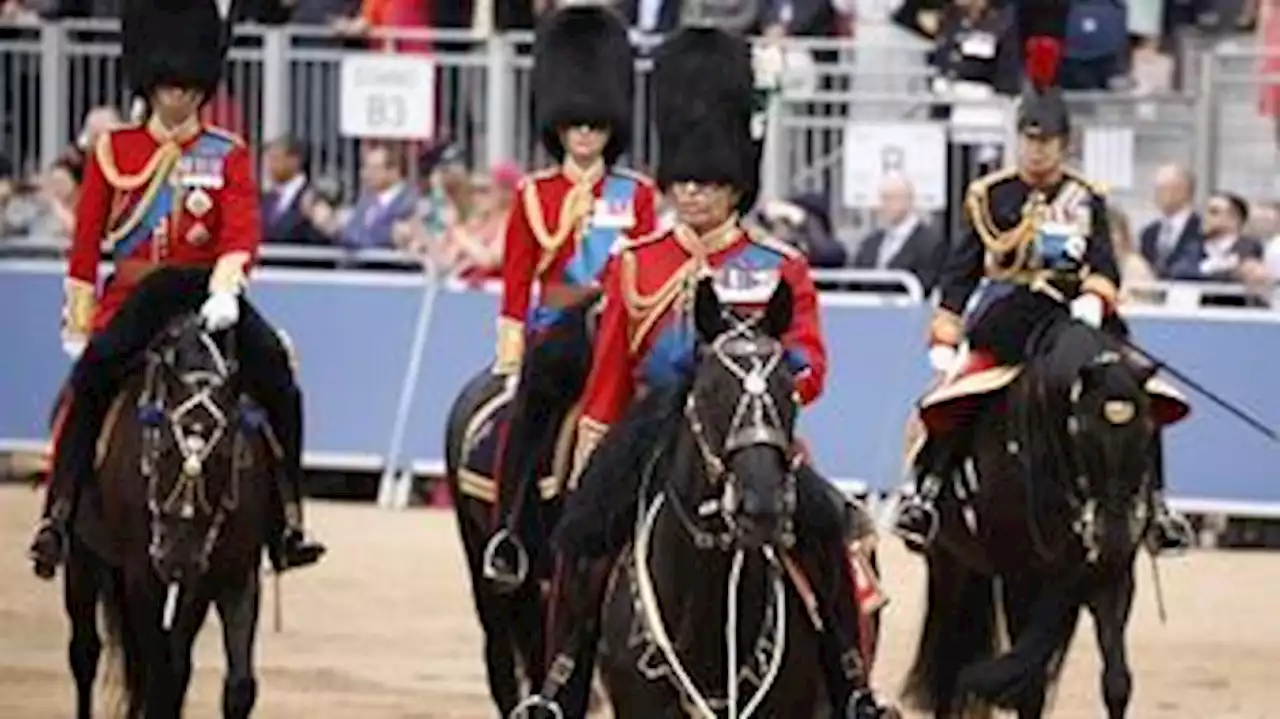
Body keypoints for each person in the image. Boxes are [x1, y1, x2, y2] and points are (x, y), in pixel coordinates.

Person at [519, 27, 896, 719]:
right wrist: (595, 448)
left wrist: (773, 395)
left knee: (826, 536)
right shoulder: (637, 260)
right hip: (650, 430)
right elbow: (609, 372)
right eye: (683, 183)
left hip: (752, 431)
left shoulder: (779, 265)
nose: (692, 196)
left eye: (708, 184)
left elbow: (809, 358)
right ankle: (560, 684)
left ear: (735, 189)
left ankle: (851, 684)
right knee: (583, 544)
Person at [28, 0, 325, 580]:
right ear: (150, 84)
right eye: (168, 88)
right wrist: (79, 320)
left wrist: (225, 288)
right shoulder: (116, 150)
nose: (179, 98)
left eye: (189, 88)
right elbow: (87, 245)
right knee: (87, 385)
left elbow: (241, 230)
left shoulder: (227, 153)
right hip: (135, 297)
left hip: (206, 294)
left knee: (280, 384)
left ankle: (289, 519)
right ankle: (57, 514)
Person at [891, 0, 1194, 554]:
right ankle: (927, 492)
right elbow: (961, 271)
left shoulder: (1086, 197)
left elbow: (1102, 262)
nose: (1038, 151)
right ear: (1018, 139)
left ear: (1064, 143)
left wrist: (1096, 299)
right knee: (954, 395)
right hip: (1010, 314)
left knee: (1134, 390)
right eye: (1030, 140)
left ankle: (1157, 504)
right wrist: (946, 331)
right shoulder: (992, 194)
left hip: (1076, 316)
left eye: (1048, 142)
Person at [480, 3, 659, 582]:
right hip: (560, 329)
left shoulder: (636, 195)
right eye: (576, 126)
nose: (584, 136)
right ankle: (509, 529)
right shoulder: (536, 194)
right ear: (557, 128)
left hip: (622, 328)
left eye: (595, 126)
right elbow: (516, 278)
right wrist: (512, 352)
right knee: (527, 413)